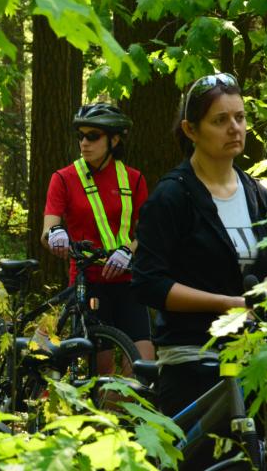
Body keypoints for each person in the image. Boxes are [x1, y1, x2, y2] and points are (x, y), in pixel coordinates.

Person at [131, 73, 267, 431]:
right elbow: (148, 283)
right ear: (190, 130)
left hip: (254, 358)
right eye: (220, 120)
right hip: (193, 361)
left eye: (240, 117)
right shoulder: (172, 197)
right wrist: (228, 304)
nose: (234, 128)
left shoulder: (258, 196)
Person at [41, 103, 154, 362]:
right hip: (88, 281)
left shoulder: (134, 179)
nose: (84, 143)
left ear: (114, 140)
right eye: (80, 136)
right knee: (102, 368)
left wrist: (128, 250)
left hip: (127, 279)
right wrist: (55, 234)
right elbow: (47, 230)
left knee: (143, 362)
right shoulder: (63, 178)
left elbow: (146, 233)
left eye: (93, 136)